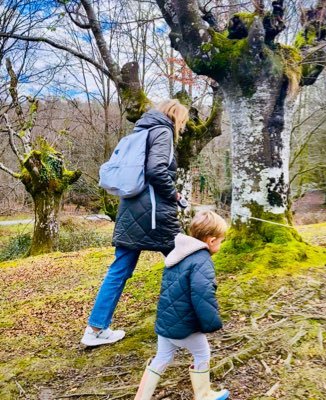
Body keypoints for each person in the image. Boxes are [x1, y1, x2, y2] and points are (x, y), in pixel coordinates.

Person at [81, 99, 189, 346]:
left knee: (119, 270)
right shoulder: (163, 131)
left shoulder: (141, 132)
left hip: (131, 209)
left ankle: (95, 330)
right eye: (182, 121)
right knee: (184, 260)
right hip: (154, 213)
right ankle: (186, 320)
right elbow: (157, 171)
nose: (181, 127)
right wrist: (174, 194)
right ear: (176, 117)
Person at [134, 211, 229, 400]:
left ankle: (141, 397)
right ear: (211, 240)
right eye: (221, 240)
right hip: (185, 326)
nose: (221, 243)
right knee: (202, 354)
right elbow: (203, 294)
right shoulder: (201, 259)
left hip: (166, 323)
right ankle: (204, 395)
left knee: (161, 358)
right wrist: (212, 323)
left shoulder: (178, 254)